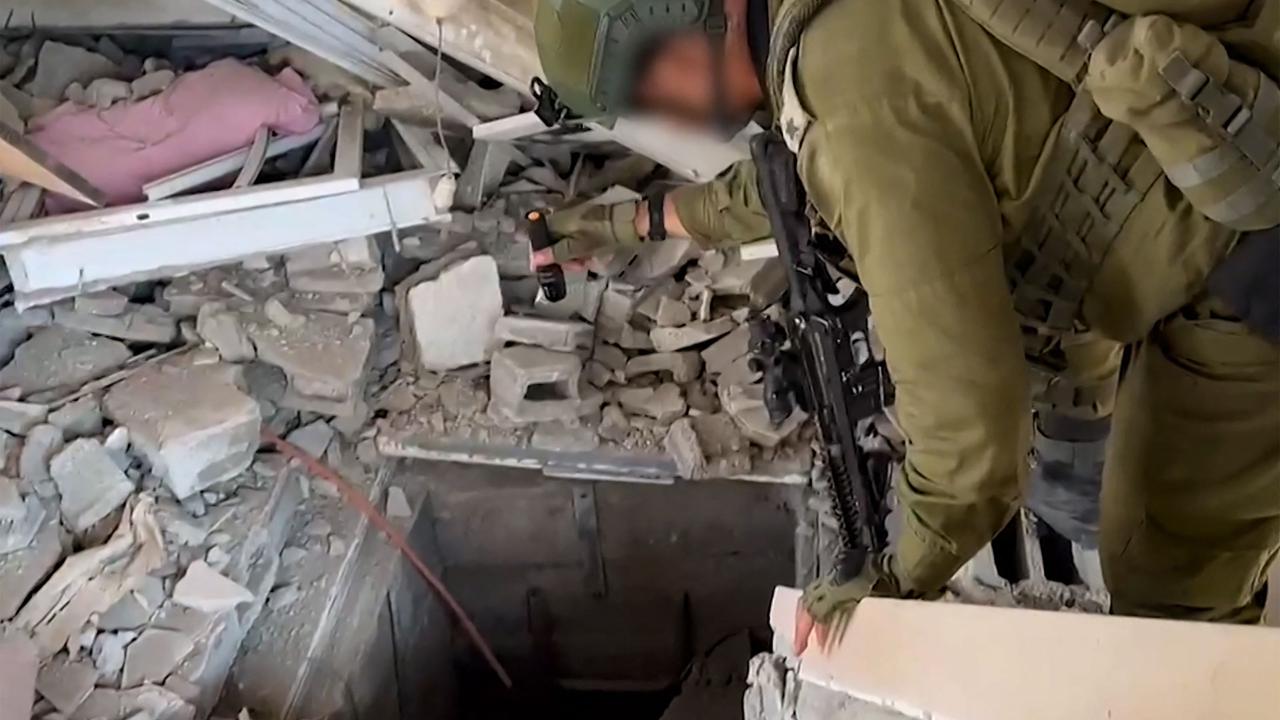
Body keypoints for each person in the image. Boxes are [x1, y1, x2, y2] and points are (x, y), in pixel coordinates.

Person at [531, 0, 1280, 645]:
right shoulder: (823, 31)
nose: (669, 115)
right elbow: (794, 178)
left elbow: (973, 437)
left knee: (1172, 587)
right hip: (1182, 196)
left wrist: (893, 580)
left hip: (1247, 252)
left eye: (651, 85)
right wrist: (639, 221)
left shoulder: (848, 97)